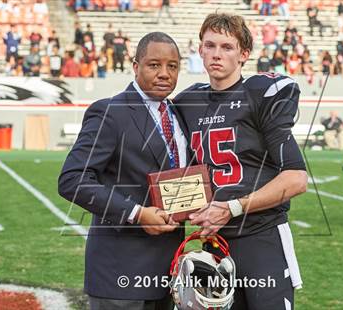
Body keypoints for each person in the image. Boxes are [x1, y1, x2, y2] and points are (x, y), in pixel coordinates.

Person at [174, 13, 307, 309]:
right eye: (210, 45)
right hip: (215, 243)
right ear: (200, 50)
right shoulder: (186, 103)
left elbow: (296, 179)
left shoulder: (260, 95)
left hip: (262, 237)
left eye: (227, 47)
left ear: (244, 54)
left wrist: (233, 207)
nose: (216, 54)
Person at [58, 32, 186, 309]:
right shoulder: (110, 112)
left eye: (172, 66)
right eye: (154, 65)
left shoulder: (178, 114)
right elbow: (72, 180)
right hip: (119, 275)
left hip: (167, 274)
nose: (164, 73)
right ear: (135, 65)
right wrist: (137, 214)